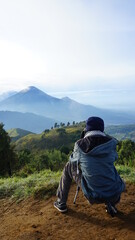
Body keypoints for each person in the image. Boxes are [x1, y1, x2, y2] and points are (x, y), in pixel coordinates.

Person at [54, 116, 125, 216]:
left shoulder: (79, 144)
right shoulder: (112, 142)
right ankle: (111, 204)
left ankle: (61, 202)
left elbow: (73, 160)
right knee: (109, 168)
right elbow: (114, 157)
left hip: (92, 195)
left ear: (86, 129)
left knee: (69, 166)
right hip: (114, 193)